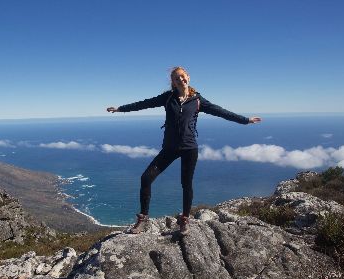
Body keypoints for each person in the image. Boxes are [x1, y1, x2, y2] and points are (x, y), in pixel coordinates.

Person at [107, 67, 261, 235]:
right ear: (173, 82)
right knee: (146, 178)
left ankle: (185, 220)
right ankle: (143, 219)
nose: (180, 80)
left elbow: (221, 112)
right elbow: (144, 104)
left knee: (186, 184)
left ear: (188, 77)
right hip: (170, 148)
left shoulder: (197, 100)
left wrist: (245, 120)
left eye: (182, 76)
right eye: (176, 78)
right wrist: (120, 108)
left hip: (189, 148)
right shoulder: (168, 98)